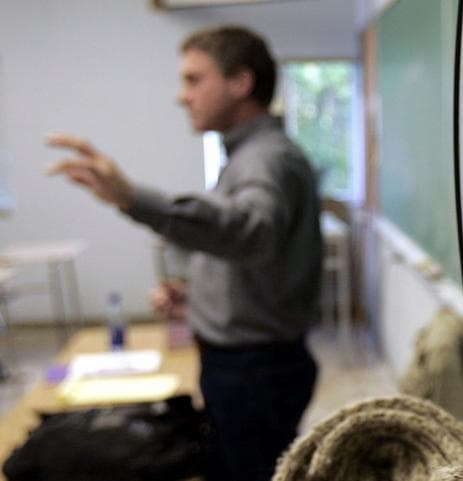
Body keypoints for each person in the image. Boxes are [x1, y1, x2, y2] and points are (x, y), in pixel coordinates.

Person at [47, 26, 321, 481]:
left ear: (241, 83)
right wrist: (198, 300)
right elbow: (256, 261)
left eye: (194, 80)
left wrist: (131, 197)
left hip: (254, 372)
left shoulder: (266, 159)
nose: (182, 96)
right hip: (249, 366)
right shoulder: (249, 155)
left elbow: (250, 231)